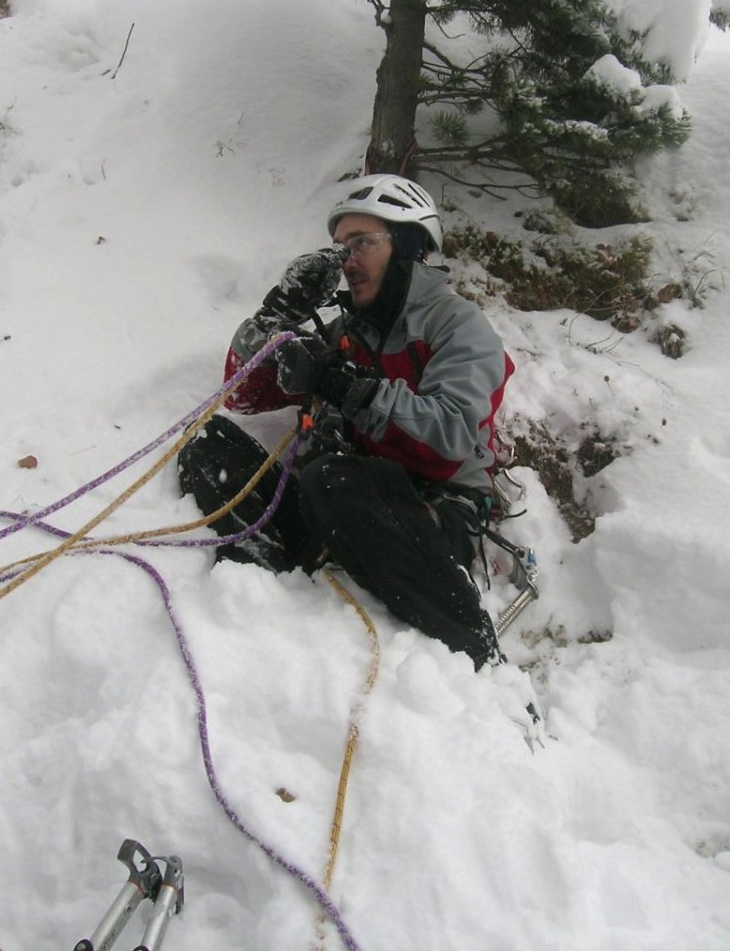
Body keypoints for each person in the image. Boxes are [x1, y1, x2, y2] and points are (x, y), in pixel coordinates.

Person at [177, 174, 514, 667]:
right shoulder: (344, 333)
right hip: (344, 503)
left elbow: (450, 439)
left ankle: (473, 646)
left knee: (333, 477)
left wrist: (342, 385)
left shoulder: (456, 324)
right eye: (339, 248)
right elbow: (243, 395)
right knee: (208, 445)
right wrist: (277, 313)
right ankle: (282, 596)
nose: (346, 261)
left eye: (362, 244)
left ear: (408, 247)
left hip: (432, 514)